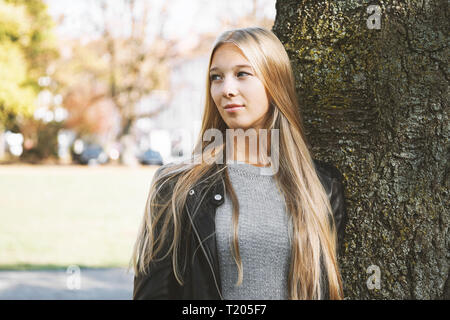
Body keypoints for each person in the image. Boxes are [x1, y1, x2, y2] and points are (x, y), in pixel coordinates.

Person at [131, 27, 347, 300]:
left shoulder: (322, 186)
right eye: (216, 77)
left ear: (275, 81)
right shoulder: (175, 186)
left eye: (242, 74)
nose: (226, 89)